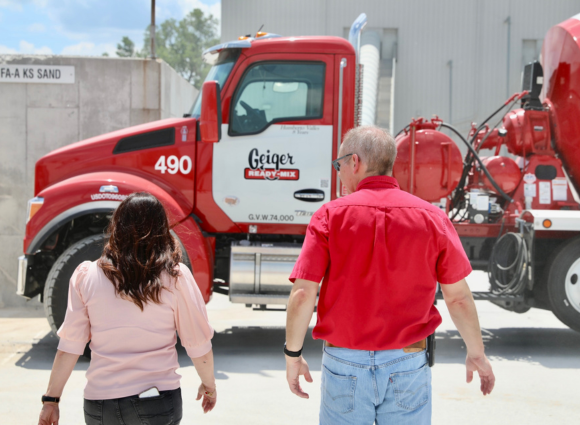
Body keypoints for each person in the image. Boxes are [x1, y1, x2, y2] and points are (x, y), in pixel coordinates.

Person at [284, 126, 495, 424]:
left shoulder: (329, 216)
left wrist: (293, 355)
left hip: (344, 362)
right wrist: (477, 353)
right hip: (407, 362)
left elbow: (303, 293)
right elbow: (458, 297)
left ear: (354, 162)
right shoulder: (433, 218)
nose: (339, 172)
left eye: (339, 164)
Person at [38, 192, 217, 425]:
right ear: (161, 228)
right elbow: (198, 344)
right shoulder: (176, 277)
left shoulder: (87, 276)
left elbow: (69, 346)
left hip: (100, 405)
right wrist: (209, 385)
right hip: (156, 401)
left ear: (117, 226)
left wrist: (51, 400)